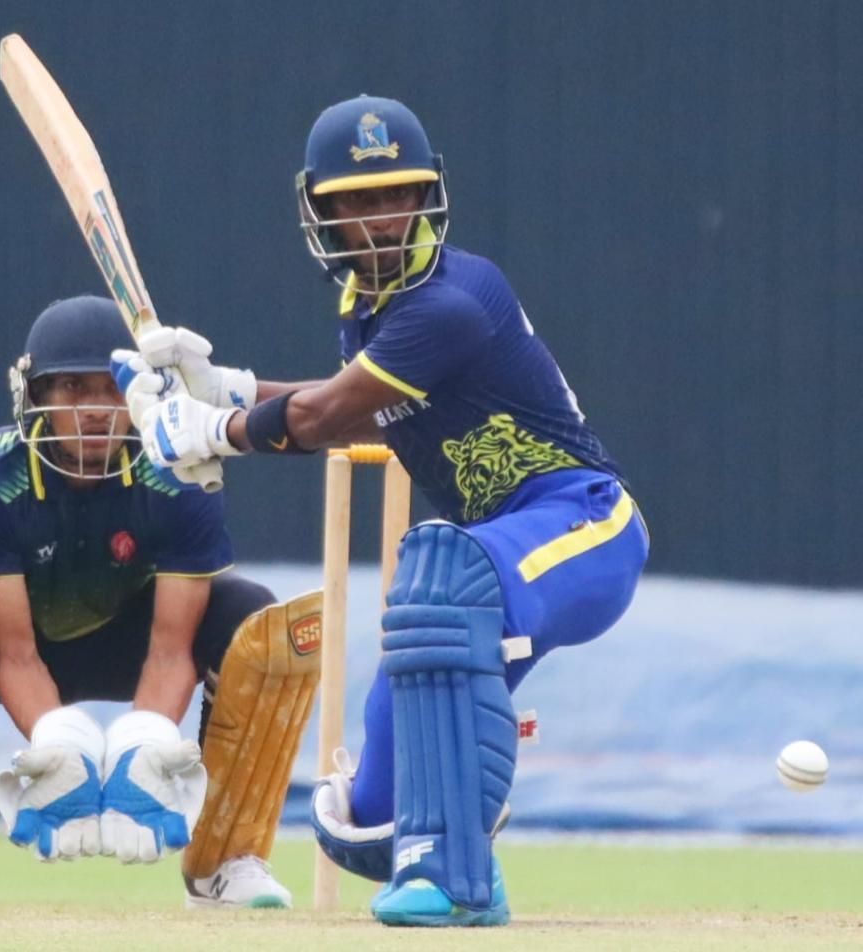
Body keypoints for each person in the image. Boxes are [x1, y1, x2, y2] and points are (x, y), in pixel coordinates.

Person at [112, 95, 650, 927]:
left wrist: (209, 431)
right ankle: (457, 847)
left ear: (427, 194)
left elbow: (324, 419)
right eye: (355, 202)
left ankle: (455, 879)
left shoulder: (449, 301)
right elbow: (365, 408)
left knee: (441, 579)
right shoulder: (369, 309)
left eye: (393, 195)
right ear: (319, 213)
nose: (378, 219)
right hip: (500, 551)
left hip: (584, 526)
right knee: (366, 815)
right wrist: (231, 391)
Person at [0, 295, 322, 912]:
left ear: (141, 394)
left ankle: (226, 863)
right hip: (15, 653)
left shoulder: (178, 470)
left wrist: (141, 752)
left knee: (258, 621)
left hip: (136, 646)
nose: (94, 409)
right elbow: (14, 656)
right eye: (71, 387)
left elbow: (173, 651)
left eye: (112, 389)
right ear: (33, 396)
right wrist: (58, 744)